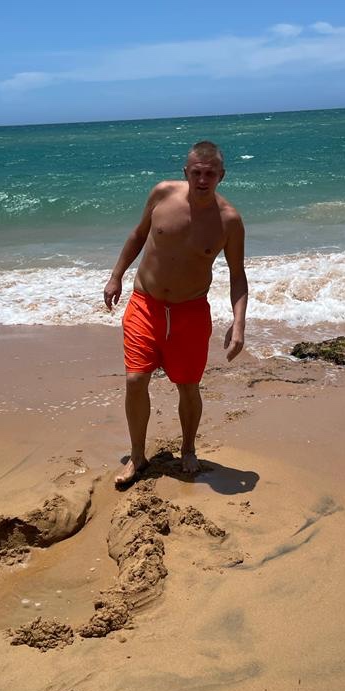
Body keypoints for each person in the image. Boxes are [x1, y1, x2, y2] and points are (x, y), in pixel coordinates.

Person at [104, 140, 248, 487]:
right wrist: (115, 276)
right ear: (186, 172)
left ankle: (188, 449)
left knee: (188, 386)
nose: (202, 180)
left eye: (210, 174)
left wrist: (239, 323)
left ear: (222, 175)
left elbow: (237, 275)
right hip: (145, 305)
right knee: (135, 380)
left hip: (190, 313)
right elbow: (138, 235)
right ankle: (137, 456)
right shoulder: (162, 194)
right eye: (196, 173)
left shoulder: (229, 221)